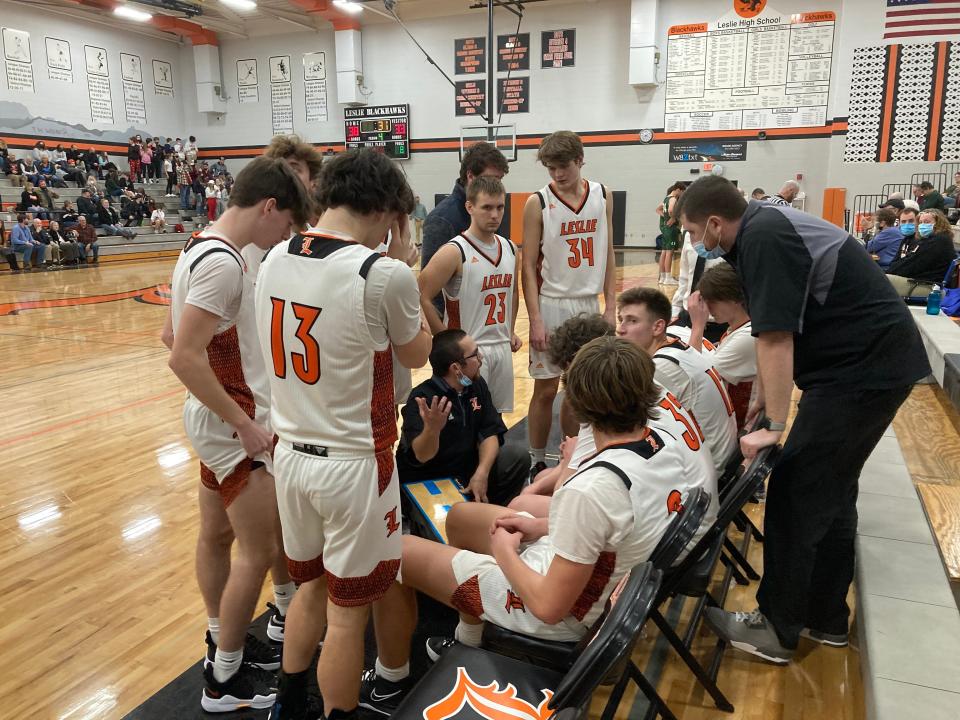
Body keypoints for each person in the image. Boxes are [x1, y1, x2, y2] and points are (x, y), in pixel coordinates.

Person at [358, 336, 715, 717]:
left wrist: (504, 553)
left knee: (393, 553)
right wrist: (544, 526)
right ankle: (468, 641)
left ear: (576, 402)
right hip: (589, 572)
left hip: (557, 610)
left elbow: (547, 606)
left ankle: (388, 683)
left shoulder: (594, 489)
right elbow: (618, 526)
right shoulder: (656, 443)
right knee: (461, 518)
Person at [676, 175, 930, 664]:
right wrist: (767, 399)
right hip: (864, 367)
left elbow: (774, 337)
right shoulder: (763, 227)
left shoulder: (764, 235)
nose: (691, 242)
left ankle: (777, 626)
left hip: (860, 371)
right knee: (831, 493)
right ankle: (824, 617)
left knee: (796, 489)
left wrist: (774, 419)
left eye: (691, 231)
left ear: (713, 223)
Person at [257, 149, 432, 720]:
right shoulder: (382, 273)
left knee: (308, 588)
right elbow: (419, 352)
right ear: (387, 210)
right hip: (354, 462)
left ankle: (287, 703)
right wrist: (406, 263)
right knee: (348, 612)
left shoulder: (272, 255)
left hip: (290, 456)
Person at [167, 156, 311, 712]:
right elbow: (181, 355)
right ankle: (223, 678)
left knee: (218, 537)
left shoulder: (197, 245)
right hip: (233, 424)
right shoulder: (225, 262)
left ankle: (218, 642)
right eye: (286, 221)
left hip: (215, 417)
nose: (286, 234)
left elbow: (168, 333)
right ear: (269, 207)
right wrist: (243, 421)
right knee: (262, 549)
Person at [523, 130, 616, 478]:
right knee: (546, 388)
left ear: (580, 160)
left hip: (589, 302)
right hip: (552, 303)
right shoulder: (538, 202)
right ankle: (535, 460)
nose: (558, 174)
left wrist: (611, 305)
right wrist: (535, 319)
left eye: (563, 166)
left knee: (580, 388)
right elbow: (528, 266)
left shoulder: (602, 194)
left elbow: (608, 254)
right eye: (551, 168)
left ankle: (570, 458)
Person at [417, 176, 522, 413]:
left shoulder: (510, 248)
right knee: (466, 422)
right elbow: (421, 294)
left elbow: (513, 292)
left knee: (497, 421)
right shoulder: (454, 251)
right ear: (470, 207)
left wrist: (511, 329)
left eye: (500, 207)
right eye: (487, 207)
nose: (495, 214)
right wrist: (443, 339)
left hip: (501, 348)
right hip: (469, 353)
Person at [616, 286, 738, 479]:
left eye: (632, 321)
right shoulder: (675, 343)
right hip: (720, 457)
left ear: (658, 327)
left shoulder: (663, 368)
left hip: (708, 472)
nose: (620, 329)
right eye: (620, 319)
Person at [396, 329, 528, 508]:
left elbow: (489, 432)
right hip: (430, 480)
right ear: (456, 368)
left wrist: (481, 473)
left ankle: (490, 513)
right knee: (445, 533)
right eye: (475, 355)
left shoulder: (476, 385)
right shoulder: (422, 399)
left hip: (466, 472)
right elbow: (421, 456)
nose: (480, 358)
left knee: (516, 457)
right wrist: (432, 430)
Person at [421, 142, 510, 313]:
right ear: (470, 176)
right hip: (457, 327)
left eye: (499, 179)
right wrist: (444, 335)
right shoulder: (441, 219)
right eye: (492, 178)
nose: (497, 184)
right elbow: (431, 293)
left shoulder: (493, 214)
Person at [688, 264, 756, 430]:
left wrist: (697, 325)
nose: (708, 308)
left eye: (713, 300)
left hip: (737, 431)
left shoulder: (747, 337)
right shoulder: (737, 329)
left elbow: (694, 379)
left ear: (736, 299)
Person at [669, 230, 727, 343]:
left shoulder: (735, 237)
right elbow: (685, 277)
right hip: (687, 317)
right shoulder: (688, 235)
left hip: (720, 325)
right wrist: (675, 310)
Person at [886, 209, 957, 297]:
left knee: (881, 279)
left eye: (927, 222)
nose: (923, 225)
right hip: (920, 282)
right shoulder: (930, 240)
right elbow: (906, 263)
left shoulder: (939, 241)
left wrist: (893, 268)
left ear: (938, 223)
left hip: (928, 286)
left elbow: (911, 265)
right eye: (921, 222)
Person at [657, 182, 684, 285]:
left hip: (666, 229)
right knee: (670, 252)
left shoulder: (666, 198)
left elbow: (659, 209)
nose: (681, 194)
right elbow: (671, 209)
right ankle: (668, 277)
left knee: (664, 252)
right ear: (678, 190)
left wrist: (665, 217)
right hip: (671, 229)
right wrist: (673, 217)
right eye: (682, 192)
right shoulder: (673, 198)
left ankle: (663, 276)